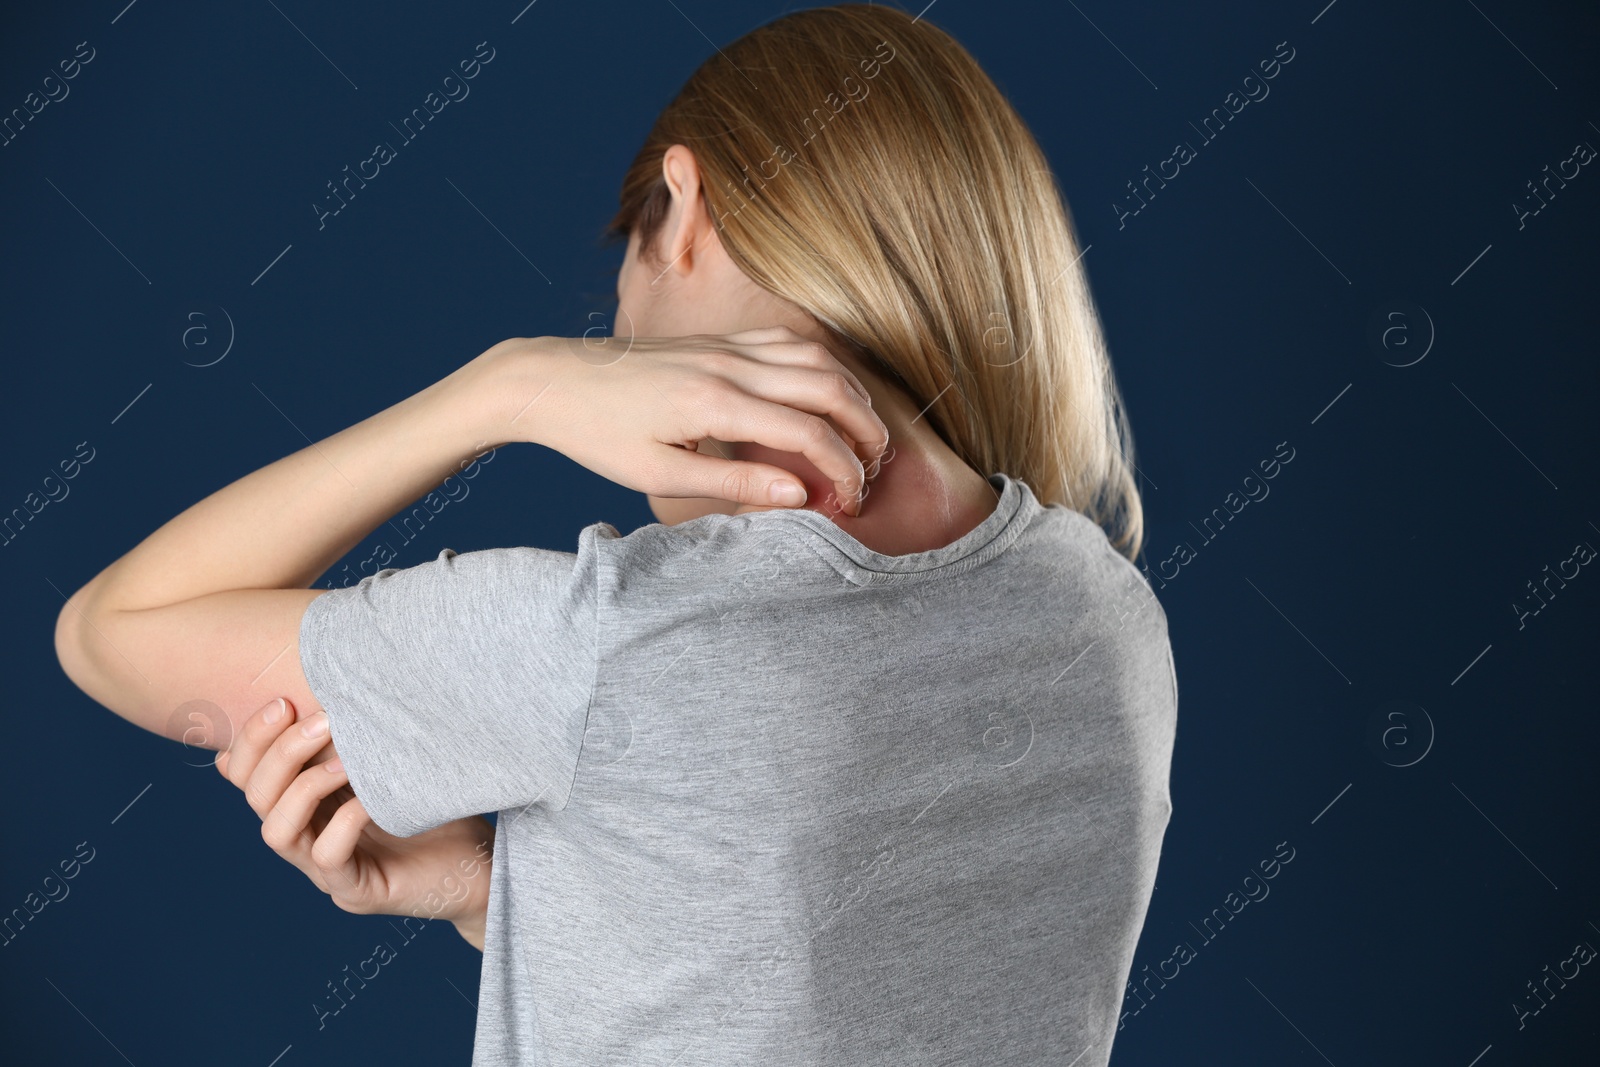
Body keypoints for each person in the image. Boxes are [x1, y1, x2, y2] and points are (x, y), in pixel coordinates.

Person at [54, 5, 1177, 1064]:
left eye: (614, 301)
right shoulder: (1107, 617)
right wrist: (500, 890)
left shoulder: (610, 635)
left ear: (680, 210)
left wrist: (511, 387)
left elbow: (110, 630)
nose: (619, 334)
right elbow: (848, 981)